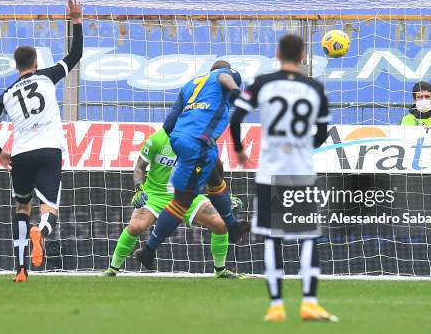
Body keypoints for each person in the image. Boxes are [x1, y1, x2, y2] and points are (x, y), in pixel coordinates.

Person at [230, 34, 338, 322]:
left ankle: (276, 305)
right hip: (301, 171)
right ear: (303, 56)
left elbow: (236, 118)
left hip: (270, 171)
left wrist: (239, 150)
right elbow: (322, 130)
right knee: (308, 238)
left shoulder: (261, 83)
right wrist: (306, 146)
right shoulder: (316, 88)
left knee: (270, 237)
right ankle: (309, 302)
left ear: (278, 53)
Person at [0, 0, 83, 282]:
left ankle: (21, 269)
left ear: (16, 66)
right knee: (48, 208)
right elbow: (75, 54)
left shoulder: (7, 94)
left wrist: (1, 153)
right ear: (36, 63)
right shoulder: (48, 76)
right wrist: (76, 20)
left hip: (21, 155)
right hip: (49, 149)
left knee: (21, 208)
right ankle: (43, 231)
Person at [134, 61, 251, 270]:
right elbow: (223, 76)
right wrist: (234, 90)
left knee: (216, 172)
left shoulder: (190, 84)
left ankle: (232, 226)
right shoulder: (223, 75)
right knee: (182, 201)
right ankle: (148, 251)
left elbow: (169, 123)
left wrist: (180, 144)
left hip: (188, 140)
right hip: (198, 140)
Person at [103, 128, 245, 278]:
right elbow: (140, 167)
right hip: (155, 195)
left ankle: (220, 270)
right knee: (136, 226)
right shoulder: (156, 139)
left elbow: (212, 172)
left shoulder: (199, 142)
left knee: (221, 224)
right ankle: (112, 269)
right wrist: (139, 189)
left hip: (187, 195)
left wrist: (223, 197)